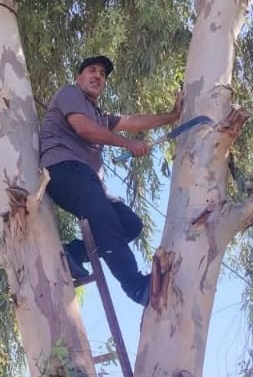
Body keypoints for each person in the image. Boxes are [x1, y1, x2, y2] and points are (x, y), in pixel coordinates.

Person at [39, 54, 182, 306]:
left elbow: (132, 121)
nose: (98, 76)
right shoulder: (70, 93)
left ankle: (73, 252)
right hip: (63, 168)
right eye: (92, 71)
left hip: (86, 179)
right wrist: (128, 144)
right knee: (104, 220)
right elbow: (84, 128)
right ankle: (136, 286)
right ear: (79, 78)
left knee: (130, 224)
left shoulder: (101, 116)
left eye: (102, 74)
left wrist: (171, 116)